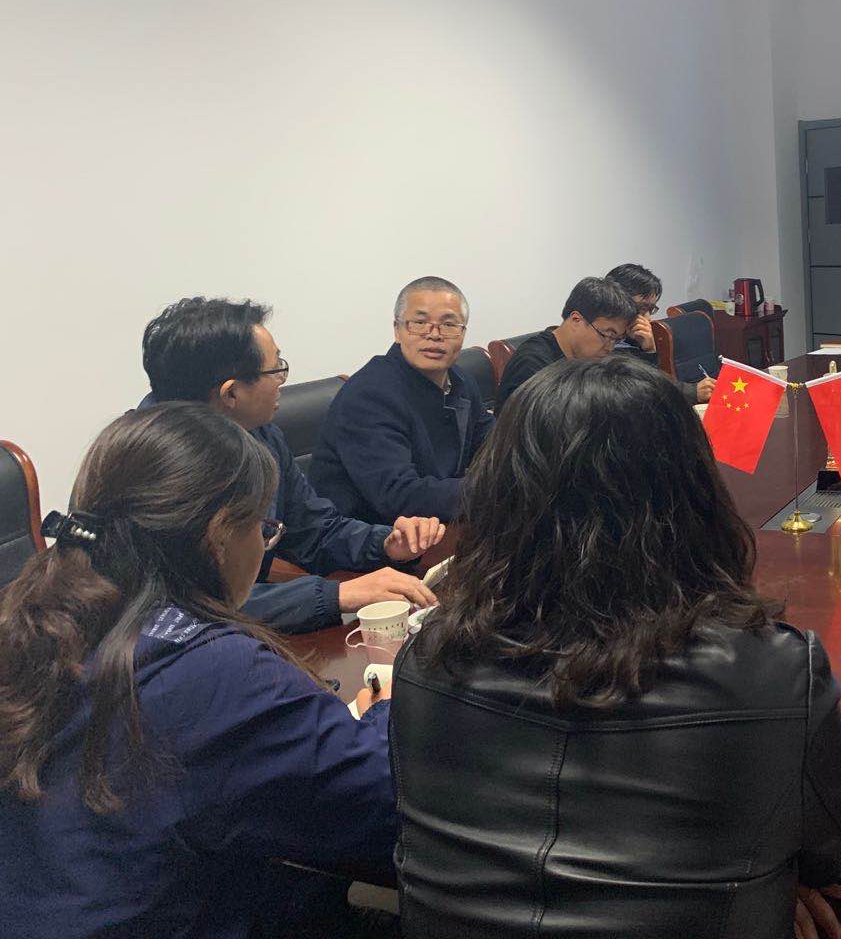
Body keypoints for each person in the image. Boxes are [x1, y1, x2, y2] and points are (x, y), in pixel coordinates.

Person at [391, 357, 841, 938]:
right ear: (693, 492)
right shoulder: (774, 671)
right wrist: (767, 882)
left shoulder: (427, 657)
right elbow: (827, 853)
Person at [0, 404, 398, 938]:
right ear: (219, 534)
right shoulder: (216, 672)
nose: (263, 544)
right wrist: (384, 707)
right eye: (263, 529)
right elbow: (386, 809)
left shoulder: (32, 615)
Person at [142, 297, 440, 634]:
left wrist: (385, 544)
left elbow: (315, 531)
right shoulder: (151, 470)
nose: (282, 380)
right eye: (275, 369)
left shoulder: (260, 433)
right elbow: (187, 607)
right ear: (231, 394)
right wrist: (336, 595)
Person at [310, 276, 494, 525]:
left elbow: (494, 444)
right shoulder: (369, 395)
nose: (434, 335)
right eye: (419, 323)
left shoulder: (460, 381)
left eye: (449, 325)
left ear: (463, 334)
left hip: (440, 523)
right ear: (397, 330)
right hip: (372, 535)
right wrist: (493, 489)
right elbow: (398, 496)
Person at [494, 275, 638, 412]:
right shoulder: (534, 365)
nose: (610, 347)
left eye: (617, 339)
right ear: (576, 320)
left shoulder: (584, 358)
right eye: (608, 335)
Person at [606, 262, 716, 403]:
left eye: (650, 309)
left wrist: (649, 350)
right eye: (642, 308)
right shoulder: (600, 344)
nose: (648, 318)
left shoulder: (633, 339)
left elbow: (657, 381)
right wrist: (692, 393)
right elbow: (641, 392)